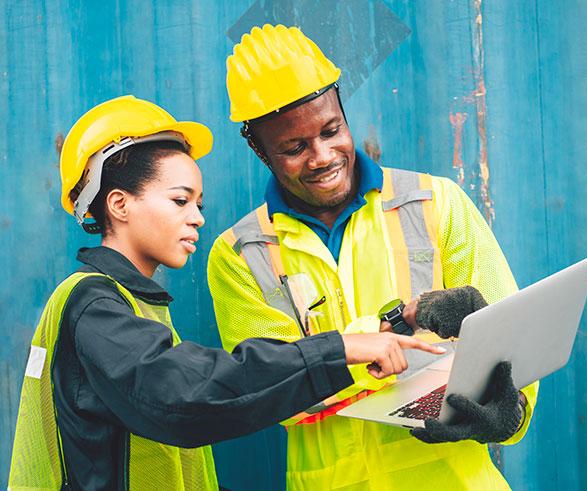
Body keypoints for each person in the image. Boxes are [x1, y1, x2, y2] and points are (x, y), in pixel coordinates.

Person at [7, 95, 446, 490]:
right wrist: (339, 349)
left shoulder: (133, 306)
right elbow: (188, 395)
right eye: (180, 201)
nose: (197, 217)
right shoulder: (95, 305)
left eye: (199, 204)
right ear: (119, 204)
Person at [207, 24, 539, 489]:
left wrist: (510, 412)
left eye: (331, 130)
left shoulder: (435, 203)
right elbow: (269, 390)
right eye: (294, 147)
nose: (322, 156)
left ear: (343, 111)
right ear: (259, 149)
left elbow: (513, 342)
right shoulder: (242, 254)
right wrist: (373, 339)